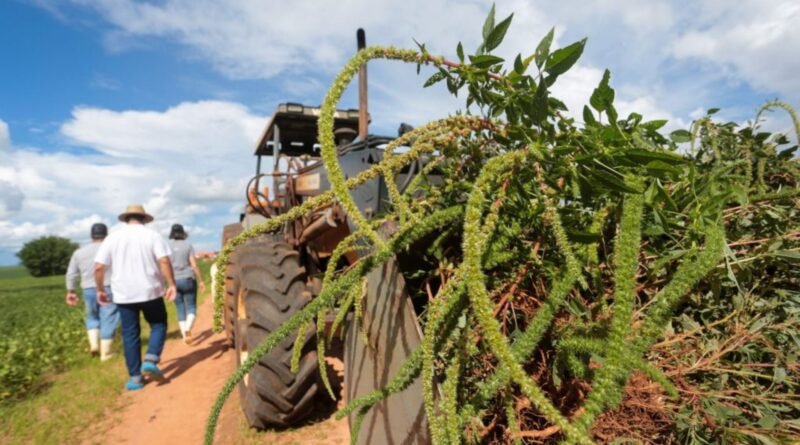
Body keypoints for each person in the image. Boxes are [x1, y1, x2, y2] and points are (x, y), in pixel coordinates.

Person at [94, 204, 176, 391]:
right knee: (158, 324)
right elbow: (164, 260)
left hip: (123, 294)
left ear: (126, 219)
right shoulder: (152, 235)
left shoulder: (112, 237)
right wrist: (171, 284)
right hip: (151, 291)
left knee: (130, 334)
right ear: (144, 219)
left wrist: (100, 289)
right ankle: (151, 358)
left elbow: (99, 266)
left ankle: (135, 379)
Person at [65, 223, 119, 361]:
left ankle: (94, 345)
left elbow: (71, 274)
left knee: (92, 317)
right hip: (108, 287)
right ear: (106, 235)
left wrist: (71, 291)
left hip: (87, 289)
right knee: (109, 317)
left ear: (91, 236)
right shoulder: (113, 249)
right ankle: (106, 354)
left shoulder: (79, 252)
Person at [168, 224, 206, 344]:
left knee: (180, 309)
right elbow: (194, 264)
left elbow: (165, 264)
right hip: (188, 278)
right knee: (191, 307)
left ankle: (185, 336)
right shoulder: (188, 245)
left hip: (174, 280)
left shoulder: (167, 246)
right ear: (183, 232)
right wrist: (201, 280)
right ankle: (188, 329)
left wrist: (167, 284)